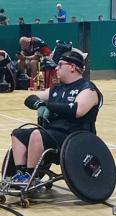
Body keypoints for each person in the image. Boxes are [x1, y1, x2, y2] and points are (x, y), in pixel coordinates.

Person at [10, 50, 99, 185]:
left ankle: (31, 177)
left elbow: (77, 110)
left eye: (60, 65)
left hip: (74, 136)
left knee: (37, 134)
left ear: (72, 67)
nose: (56, 68)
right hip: (52, 133)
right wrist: (39, 105)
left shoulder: (88, 89)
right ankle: (21, 174)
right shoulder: (56, 89)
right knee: (18, 134)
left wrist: (49, 106)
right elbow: (30, 98)